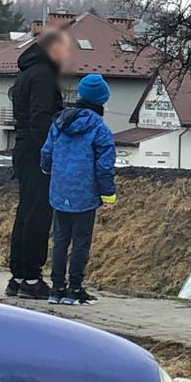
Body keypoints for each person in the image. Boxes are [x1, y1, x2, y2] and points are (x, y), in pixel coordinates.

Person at [40, 74, 117, 306]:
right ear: (101, 100)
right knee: (81, 241)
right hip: (85, 194)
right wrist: (108, 193)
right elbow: (104, 165)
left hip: (59, 192)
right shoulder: (99, 129)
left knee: (60, 240)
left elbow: (46, 153)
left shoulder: (60, 122)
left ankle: (56, 288)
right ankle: (75, 288)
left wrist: (47, 170)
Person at [7, 30, 71, 299]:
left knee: (25, 212)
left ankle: (19, 275)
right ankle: (32, 279)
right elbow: (42, 117)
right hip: (37, 151)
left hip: (23, 147)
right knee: (38, 214)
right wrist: (50, 153)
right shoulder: (43, 75)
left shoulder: (26, 74)